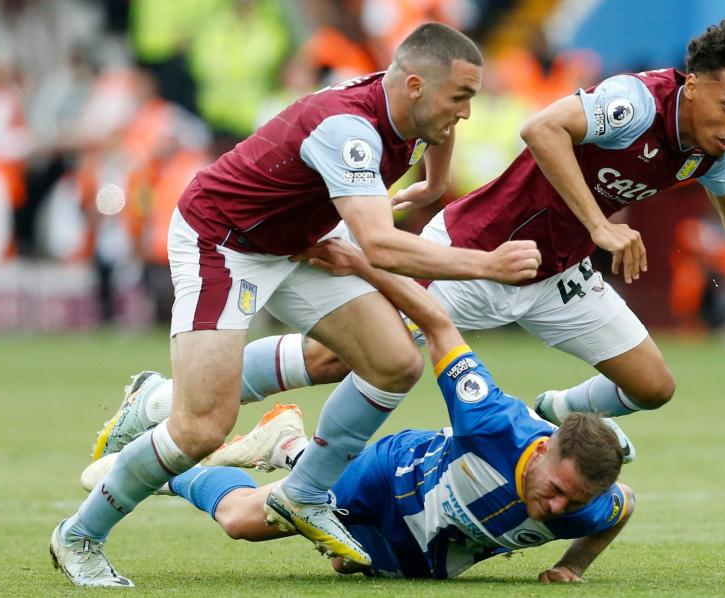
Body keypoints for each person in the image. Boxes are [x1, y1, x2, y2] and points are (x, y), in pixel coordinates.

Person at [95, 19, 725, 481]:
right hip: (483, 245)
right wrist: (603, 227)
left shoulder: (708, 149)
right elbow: (542, 129)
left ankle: (541, 420)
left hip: (557, 271)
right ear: (695, 85)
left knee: (653, 386)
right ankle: (162, 403)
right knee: (340, 357)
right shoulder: (635, 101)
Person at [51, 23, 542, 588]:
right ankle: (80, 534)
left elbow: (437, 134)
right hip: (224, 241)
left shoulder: (412, 106)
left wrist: (436, 182)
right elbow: (379, 245)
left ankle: (302, 493)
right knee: (204, 427)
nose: (465, 114)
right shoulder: (350, 131)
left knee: (395, 362)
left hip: (297, 243)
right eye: (460, 98)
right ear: (414, 85)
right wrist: (489, 264)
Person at [82, 237, 633, 581]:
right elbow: (439, 324)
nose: (558, 506)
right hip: (387, 477)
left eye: (572, 500)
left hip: (408, 554)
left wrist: (571, 566)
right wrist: (362, 264)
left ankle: (287, 446)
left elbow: (623, 505)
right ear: (543, 450)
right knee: (242, 522)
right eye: (557, 488)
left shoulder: (586, 507)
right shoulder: (491, 421)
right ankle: (171, 468)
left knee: (347, 564)